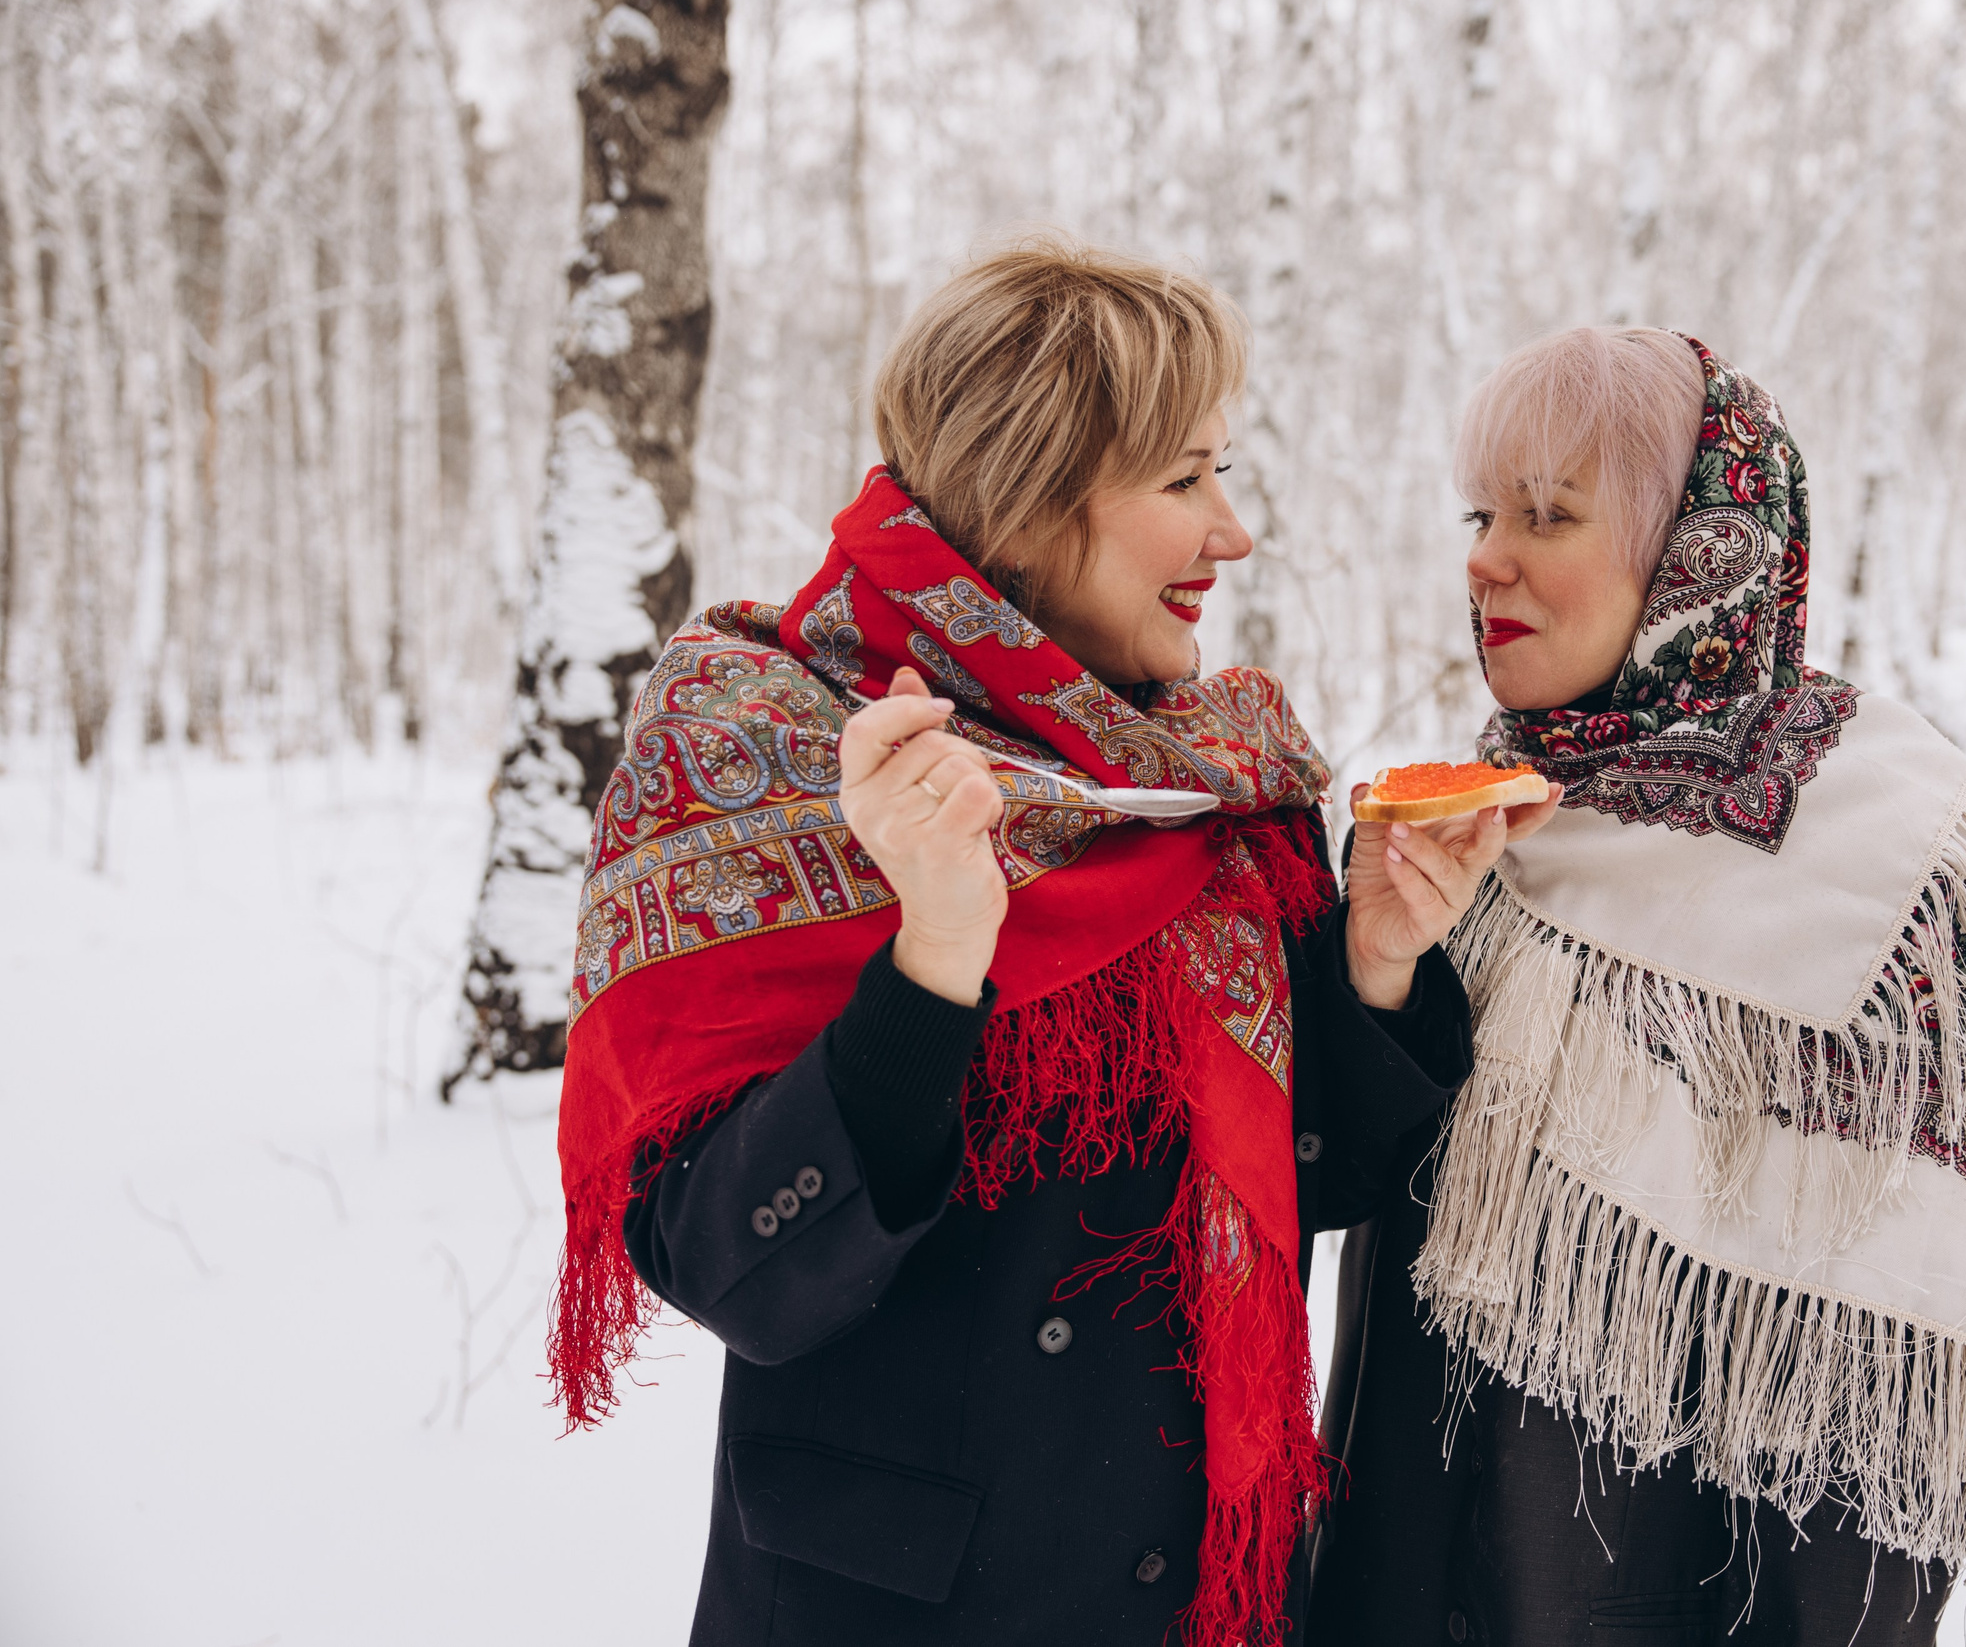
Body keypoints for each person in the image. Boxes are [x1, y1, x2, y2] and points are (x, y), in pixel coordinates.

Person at [548, 237, 1539, 1647]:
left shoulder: (1218, 777)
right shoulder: (771, 747)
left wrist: (1374, 962)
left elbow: (1299, 1175)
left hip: (1197, 1599)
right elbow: (738, 1271)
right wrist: (936, 956)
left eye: (1226, 473)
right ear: (1028, 499)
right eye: (1185, 481)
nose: (1231, 535)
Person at [1310, 328, 1966, 1646]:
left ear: (1699, 555)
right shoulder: (1469, 831)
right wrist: (1374, 977)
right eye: (1483, 512)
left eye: (1548, 514)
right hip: (1399, 1579)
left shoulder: (1892, 873)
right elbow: (1343, 1186)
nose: (1487, 557)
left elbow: (1883, 1391)